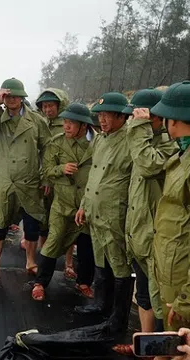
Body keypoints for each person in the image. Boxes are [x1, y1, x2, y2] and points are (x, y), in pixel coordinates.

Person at [0, 77, 51, 285]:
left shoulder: (35, 120)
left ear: (22, 98)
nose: (12, 100)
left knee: (32, 223)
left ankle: (30, 262)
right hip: (5, 181)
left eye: (15, 96)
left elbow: (47, 148)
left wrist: (45, 176)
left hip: (28, 180)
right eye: (8, 96)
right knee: (0, 225)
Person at [74, 92, 134, 334]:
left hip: (114, 213)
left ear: (122, 116)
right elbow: (93, 178)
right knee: (101, 258)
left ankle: (118, 319)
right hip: (95, 212)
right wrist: (83, 206)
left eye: (107, 115)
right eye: (99, 115)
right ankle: (101, 304)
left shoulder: (130, 139)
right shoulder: (99, 140)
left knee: (119, 265)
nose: (102, 120)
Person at [122, 88, 179, 333]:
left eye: (140, 115)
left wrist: (139, 128)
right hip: (138, 232)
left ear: (157, 117)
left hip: (156, 236)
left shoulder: (171, 145)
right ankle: (145, 344)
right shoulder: (141, 139)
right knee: (143, 293)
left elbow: (148, 166)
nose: (133, 120)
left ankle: (161, 350)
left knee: (160, 302)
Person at [31, 103, 95, 301]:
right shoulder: (57, 143)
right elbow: (46, 171)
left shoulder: (97, 145)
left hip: (86, 205)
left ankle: (84, 283)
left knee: (86, 247)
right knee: (53, 241)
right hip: (62, 203)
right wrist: (61, 169)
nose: (65, 126)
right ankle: (40, 283)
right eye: (65, 122)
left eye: (71, 123)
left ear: (83, 126)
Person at [151, 80, 190, 330]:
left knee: (179, 341)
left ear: (173, 121)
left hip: (182, 276)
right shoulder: (182, 155)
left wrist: (186, 299)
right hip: (172, 265)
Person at [35, 88, 75, 279]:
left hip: (65, 180)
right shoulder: (41, 124)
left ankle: (68, 263)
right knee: (44, 219)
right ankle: (43, 255)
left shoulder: (68, 125)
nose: (48, 109)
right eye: (44, 106)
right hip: (45, 178)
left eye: (51, 105)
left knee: (67, 221)